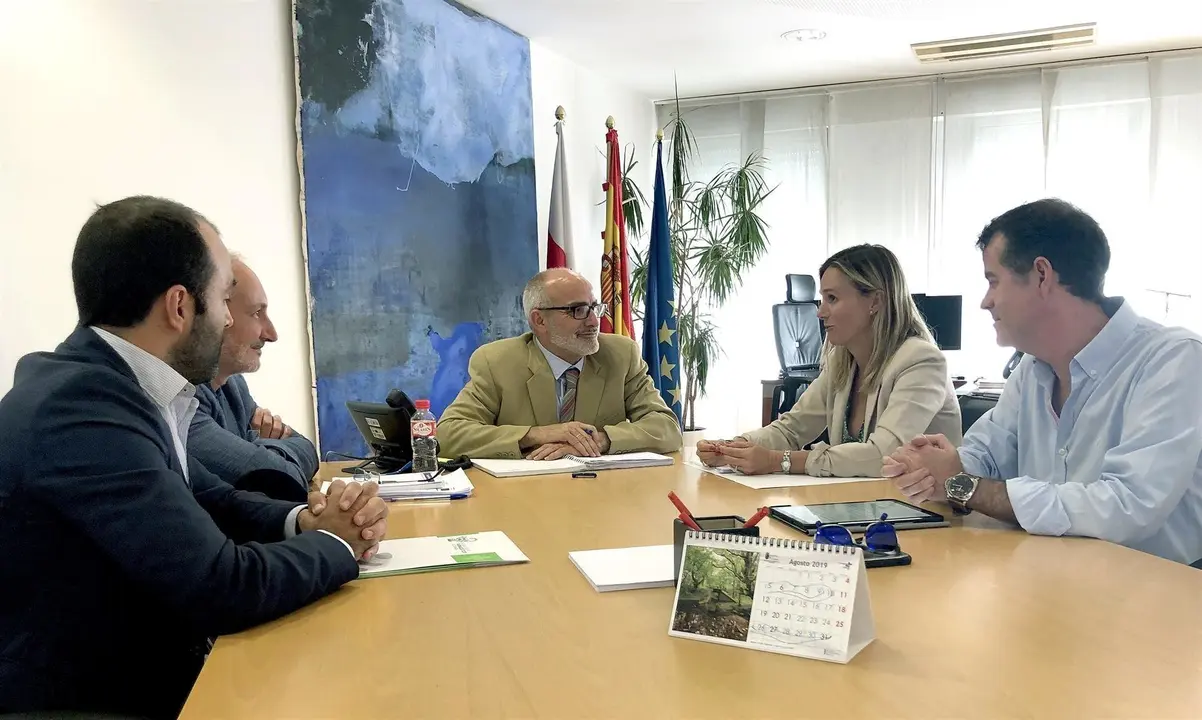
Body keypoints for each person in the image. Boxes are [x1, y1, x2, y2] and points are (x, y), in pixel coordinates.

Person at [0, 196, 389, 718]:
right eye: (225, 298)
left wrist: (306, 519)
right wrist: (338, 542)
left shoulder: (124, 388)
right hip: (99, 697)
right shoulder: (83, 408)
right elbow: (221, 585)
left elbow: (214, 498)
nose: (229, 318)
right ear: (180, 306)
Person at [883, 198, 1202, 566]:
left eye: (993, 281)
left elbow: (1126, 507)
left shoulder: (1173, 360)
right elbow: (985, 456)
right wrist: (935, 467)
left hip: (1156, 599)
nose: (986, 302)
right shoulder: (1033, 369)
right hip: (1050, 579)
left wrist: (963, 486)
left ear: (1041, 275)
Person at [698, 244, 961, 477]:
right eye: (823, 298)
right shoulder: (843, 361)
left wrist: (779, 461)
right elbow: (791, 430)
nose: (820, 312)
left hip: (925, 517)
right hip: (861, 509)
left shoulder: (921, 361)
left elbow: (883, 454)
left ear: (876, 301)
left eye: (832, 298)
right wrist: (732, 446)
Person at [439, 268, 683, 459]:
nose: (593, 322)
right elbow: (447, 435)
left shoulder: (621, 354)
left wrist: (599, 440)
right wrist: (536, 435)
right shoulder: (497, 362)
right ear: (539, 320)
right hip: (522, 498)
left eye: (594, 308)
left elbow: (667, 428)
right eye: (577, 310)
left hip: (603, 496)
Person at [188, 256, 318, 500]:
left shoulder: (232, 385)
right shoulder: (182, 397)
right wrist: (262, 451)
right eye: (256, 313)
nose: (272, 334)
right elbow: (279, 479)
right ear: (215, 312)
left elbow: (307, 448)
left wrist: (258, 449)